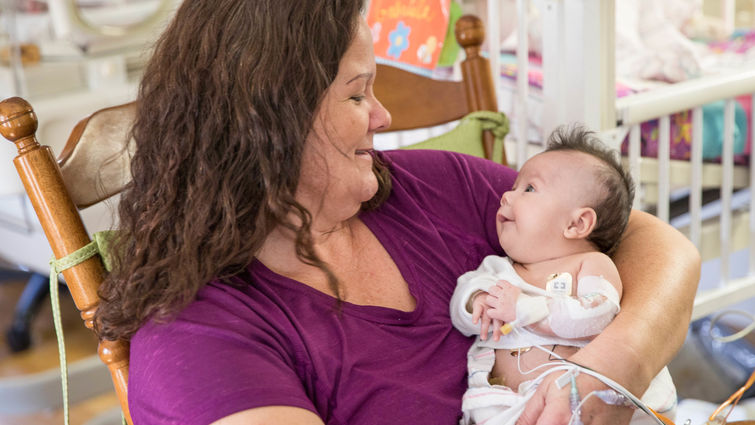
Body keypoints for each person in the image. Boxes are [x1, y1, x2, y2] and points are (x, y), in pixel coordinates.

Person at [91, 1, 700, 424]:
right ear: (273, 120)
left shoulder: (439, 188)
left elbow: (665, 249)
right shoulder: (200, 339)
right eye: (358, 94)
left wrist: (615, 364)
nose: (382, 118)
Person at [450, 126, 676, 425]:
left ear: (577, 223)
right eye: (515, 186)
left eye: (529, 189)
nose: (506, 195)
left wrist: (528, 310)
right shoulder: (499, 269)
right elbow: (464, 296)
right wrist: (475, 301)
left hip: (586, 402)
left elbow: (598, 313)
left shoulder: (590, 264)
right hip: (503, 403)